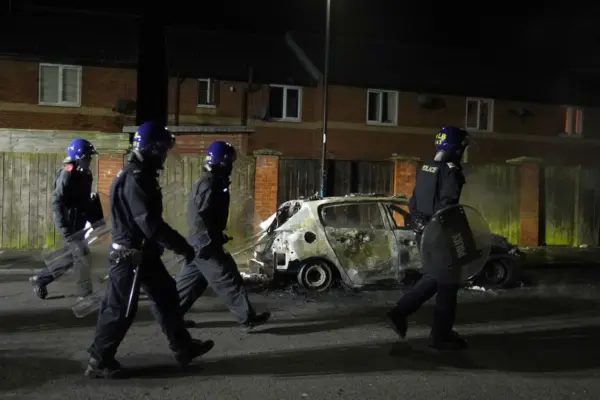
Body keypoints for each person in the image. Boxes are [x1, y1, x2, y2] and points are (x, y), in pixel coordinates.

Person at [85, 121, 213, 378]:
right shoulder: (136, 179)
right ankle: (99, 360)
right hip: (130, 257)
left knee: (167, 298)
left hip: (144, 254)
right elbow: (150, 224)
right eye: (163, 149)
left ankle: (183, 347)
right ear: (152, 148)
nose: (165, 154)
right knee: (119, 309)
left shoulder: (139, 175)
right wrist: (182, 247)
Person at [387, 126, 470, 350]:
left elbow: (414, 201)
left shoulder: (426, 167)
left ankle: (409, 316)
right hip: (441, 233)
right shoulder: (451, 171)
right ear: (455, 148)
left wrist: (419, 223)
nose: (464, 151)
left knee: (437, 276)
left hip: (423, 232)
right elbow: (448, 205)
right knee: (447, 281)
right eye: (463, 147)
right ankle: (437, 333)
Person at [176, 141, 270, 330]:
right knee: (229, 279)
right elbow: (201, 215)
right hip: (205, 245)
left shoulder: (214, 180)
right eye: (230, 162)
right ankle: (247, 318)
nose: (232, 166)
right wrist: (210, 239)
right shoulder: (210, 183)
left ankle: (170, 317)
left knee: (190, 284)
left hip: (200, 243)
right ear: (222, 161)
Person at [30, 138, 102, 300]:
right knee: (82, 255)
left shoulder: (85, 174)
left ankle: (40, 279)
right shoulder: (67, 174)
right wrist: (64, 228)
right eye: (87, 157)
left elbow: (83, 201)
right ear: (78, 157)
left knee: (72, 256)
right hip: (69, 224)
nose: (90, 160)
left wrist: (96, 219)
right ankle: (85, 294)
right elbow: (57, 202)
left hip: (79, 223)